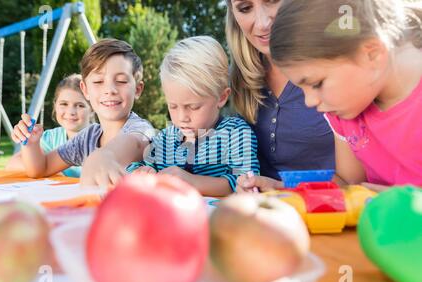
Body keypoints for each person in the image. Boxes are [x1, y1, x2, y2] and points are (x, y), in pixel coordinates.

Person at [268, 0, 422, 190]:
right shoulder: (345, 109)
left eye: (317, 84)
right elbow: (349, 185)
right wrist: (282, 190)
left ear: (372, 54)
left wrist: (400, 200)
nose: (309, 101)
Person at [224, 0, 335, 193]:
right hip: (263, 214)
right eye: (245, 8)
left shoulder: (335, 65)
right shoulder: (238, 79)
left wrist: (282, 188)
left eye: (272, 1)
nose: (262, 23)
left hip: (329, 214)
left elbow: (355, 181)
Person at [127, 36, 260, 197]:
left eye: (193, 107)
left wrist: (190, 181)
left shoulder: (235, 133)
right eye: (173, 106)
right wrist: (143, 171)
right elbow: (138, 167)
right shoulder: (166, 139)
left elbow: (245, 181)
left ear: (222, 97)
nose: (182, 117)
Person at [11, 39, 153, 182]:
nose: (110, 90)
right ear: (85, 90)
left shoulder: (140, 129)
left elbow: (135, 143)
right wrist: (31, 144)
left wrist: (103, 156)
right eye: (98, 81)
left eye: (121, 81)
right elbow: (42, 168)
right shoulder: (87, 139)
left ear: (138, 89)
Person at [6, 74, 93, 177]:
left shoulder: (99, 138)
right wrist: (51, 171)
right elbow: (12, 164)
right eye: (64, 104)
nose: (71, 112)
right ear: (55, 105)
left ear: (92, 109)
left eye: (80, 105)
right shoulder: (51, 138)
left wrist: (47, 169)